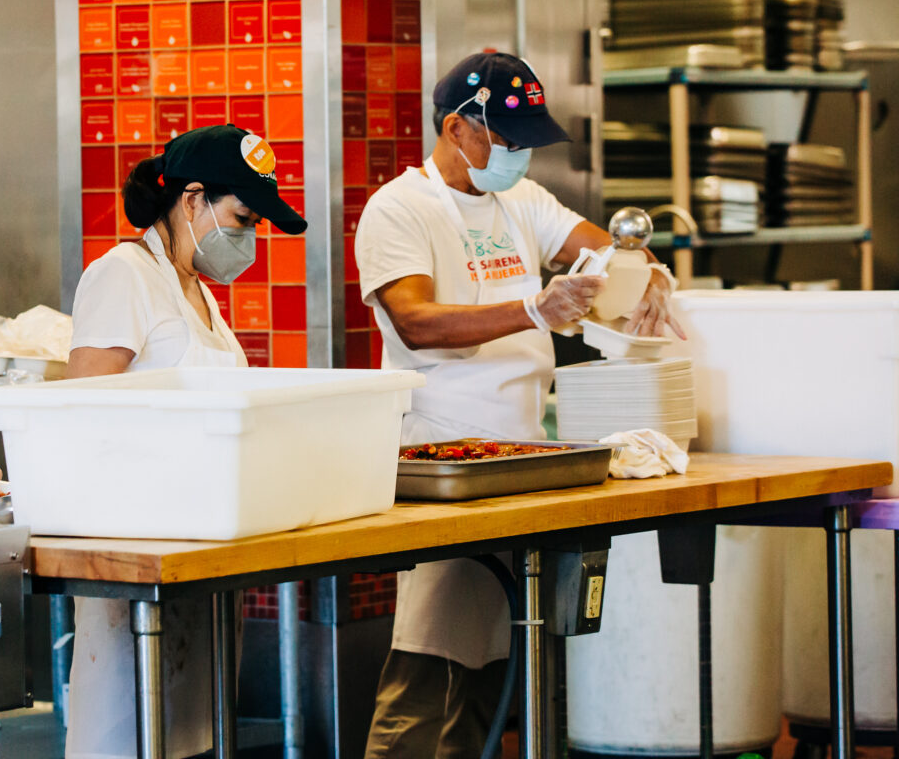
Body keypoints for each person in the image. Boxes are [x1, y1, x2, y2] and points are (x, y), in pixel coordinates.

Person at [355, 52, 682, 758]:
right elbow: (415, 322)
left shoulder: (519, 199)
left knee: (490, 673)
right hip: (440, 460)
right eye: (508, 138)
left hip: (521, 459)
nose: (520, 152)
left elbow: (591, 246)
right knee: (427, 664)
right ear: (456, 128)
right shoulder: (398, 210)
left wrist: (641, 271)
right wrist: (534, 308)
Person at [63, 124, 307, 759]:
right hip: (133, 561)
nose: (249, 239)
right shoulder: (123, 274)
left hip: (199, 558)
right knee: (126, 732)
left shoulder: (197, 290)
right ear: (192, 200)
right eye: (244, 218)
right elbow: (81, 411)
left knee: (191, 736)